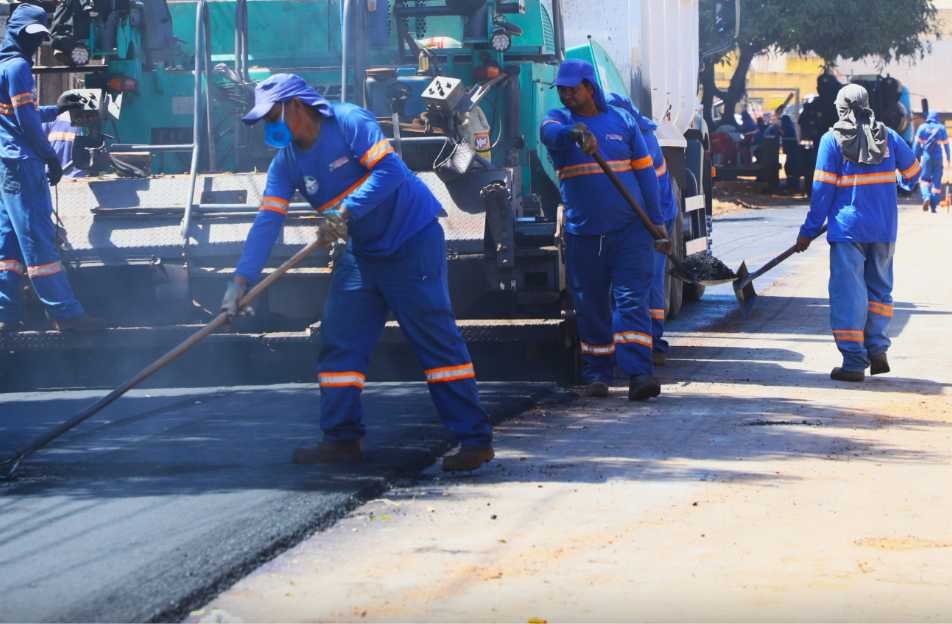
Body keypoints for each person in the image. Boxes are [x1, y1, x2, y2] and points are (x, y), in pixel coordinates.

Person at [223, 74, 494, 472]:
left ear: (295, 106)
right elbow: (268, 221)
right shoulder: (287, 163)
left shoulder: (349, 122)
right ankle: (341, 439)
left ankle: (474, 440)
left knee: (436, 342)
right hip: (363, 253)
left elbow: (390, 172)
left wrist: (343, 211)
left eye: (272, 117)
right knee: (340, 341)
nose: (269, 127)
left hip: (411, 241)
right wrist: (240, 281)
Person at [540, 60, 668, 401]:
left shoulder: (622, 121)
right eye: (562, 90)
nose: (567, 96)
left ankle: (639, 374)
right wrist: (573, 134)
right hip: (584, 234)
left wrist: (657, 223)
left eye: (573, 89)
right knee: (591, 304)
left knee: (631, 301)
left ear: (590, 87)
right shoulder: (559, 120)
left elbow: (646, 176)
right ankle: (597, 374)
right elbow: (548, 133)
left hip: (630, 231)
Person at [794, 84, 921, 381]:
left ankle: (853, 362)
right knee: (879, 290)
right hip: (883, 228)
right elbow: (913, 173)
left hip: (848, 230)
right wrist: (894, 186)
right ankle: (877, 349)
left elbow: (822, 192)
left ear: (840, 108)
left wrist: (808, 231)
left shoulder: (831, 140)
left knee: (849, 294)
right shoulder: (889, 136)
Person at [0, 5, 92, 334]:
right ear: (16, 33)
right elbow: (27, 124)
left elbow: (18, 114)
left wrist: (56, 110)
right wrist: (50, 157)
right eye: (30, 37)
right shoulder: (19, 67)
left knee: (5, 240)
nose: (34, 44)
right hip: (21, 165)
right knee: (37, 238)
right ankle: (65, 313)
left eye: (38, 38)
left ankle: (4, 313)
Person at [607, 92, 680, 364]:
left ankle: (654, 343)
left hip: (654, 217)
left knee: (649, 281)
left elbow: (651, 191)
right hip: (641, 217)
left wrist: (656, 228)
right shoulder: (633, 134)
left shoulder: (643, 141)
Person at [912, 110, 952, 212]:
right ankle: (933, 206)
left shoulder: (922, 128)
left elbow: (916, 146)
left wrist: (915, 158)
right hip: (938, 158)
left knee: (924, 180)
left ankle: (926, 197)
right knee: (936, 181)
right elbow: (946, 145)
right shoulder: (941, 128)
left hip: (926, 157)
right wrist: (948, 157)